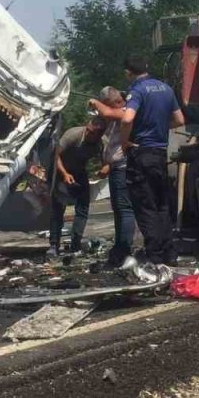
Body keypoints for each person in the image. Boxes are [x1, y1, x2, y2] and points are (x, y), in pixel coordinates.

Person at [120, 55, 184, 265]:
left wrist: (125, 142)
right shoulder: (166, 89)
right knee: (162, 204)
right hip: (159, 154)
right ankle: (170, 253)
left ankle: (154, 255)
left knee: (145, 205)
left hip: (141, 153)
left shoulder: (137, 90)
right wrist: (157, 128)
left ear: (129, 72)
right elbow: (179, 120)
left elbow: (127, 118)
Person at [87, 86, 136, 267]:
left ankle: (124, 249)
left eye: (106, 104)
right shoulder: (116, 113)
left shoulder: (125, 110)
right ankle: (120, 247)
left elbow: (107, 113)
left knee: (124, 209)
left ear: (115, 102)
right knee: (118, 210)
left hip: (124, 166)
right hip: (116, 166)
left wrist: (95, 103)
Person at [47, 118, 106, 258]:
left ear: (99, 135)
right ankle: (53, 245)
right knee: (58, 208)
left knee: (83, 207)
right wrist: (65, 174)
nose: (88, 134)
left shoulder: (103, 142)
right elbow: (55, 155)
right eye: (88, 130)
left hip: (79, 171)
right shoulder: (73, 135)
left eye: (92, 133)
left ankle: (75, 243)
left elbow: (107, 157)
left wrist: (105, 168)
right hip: (59, 169)